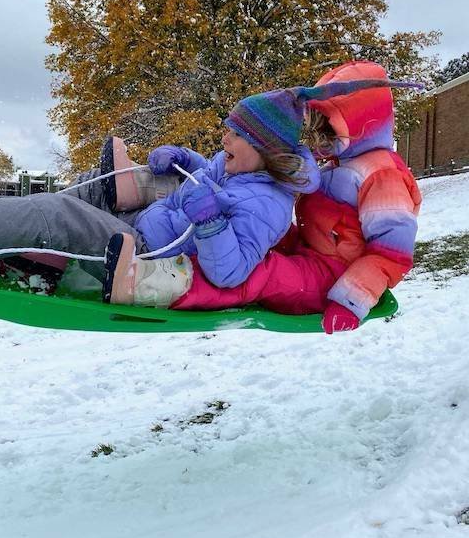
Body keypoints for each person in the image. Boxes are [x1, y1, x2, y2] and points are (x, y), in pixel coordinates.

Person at [103, 61, 423, 334]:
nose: (319, 139)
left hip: (333, 273)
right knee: (243, 214)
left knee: (260, 272)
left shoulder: (382, 175)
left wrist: (352, 300)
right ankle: (140, 186)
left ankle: (155, 284)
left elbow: (391, 254)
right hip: (304, 247)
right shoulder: (336, 162)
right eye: (317, 127)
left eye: (330, 130)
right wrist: (188, 165)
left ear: (362, 125)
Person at [0, 87, 320, 291]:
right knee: (84, 193)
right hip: (147, 224)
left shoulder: (269, 205)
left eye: (235, 135)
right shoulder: (240, 170)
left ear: (265, 148)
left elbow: (230, 272)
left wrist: (209, 222)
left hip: (146, 254)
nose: (224, 140)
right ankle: (39, 255)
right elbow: (207, 177)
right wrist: (186, 161)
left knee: (65, 217)